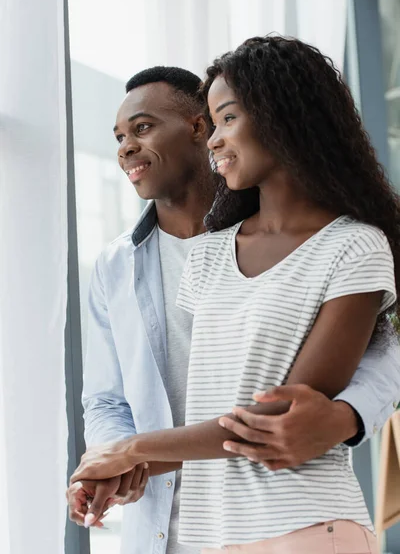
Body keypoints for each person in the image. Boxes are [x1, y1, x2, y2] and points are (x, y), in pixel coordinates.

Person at [68, 61, 400, 554]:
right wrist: (116, 466)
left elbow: (378, 355)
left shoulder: (348, 246)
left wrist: (348, 413)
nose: (126, 148)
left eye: (142, 128)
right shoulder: (163, 260)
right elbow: (109, 399)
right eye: (119, 136)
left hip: (295, 520)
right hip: (186, 528)